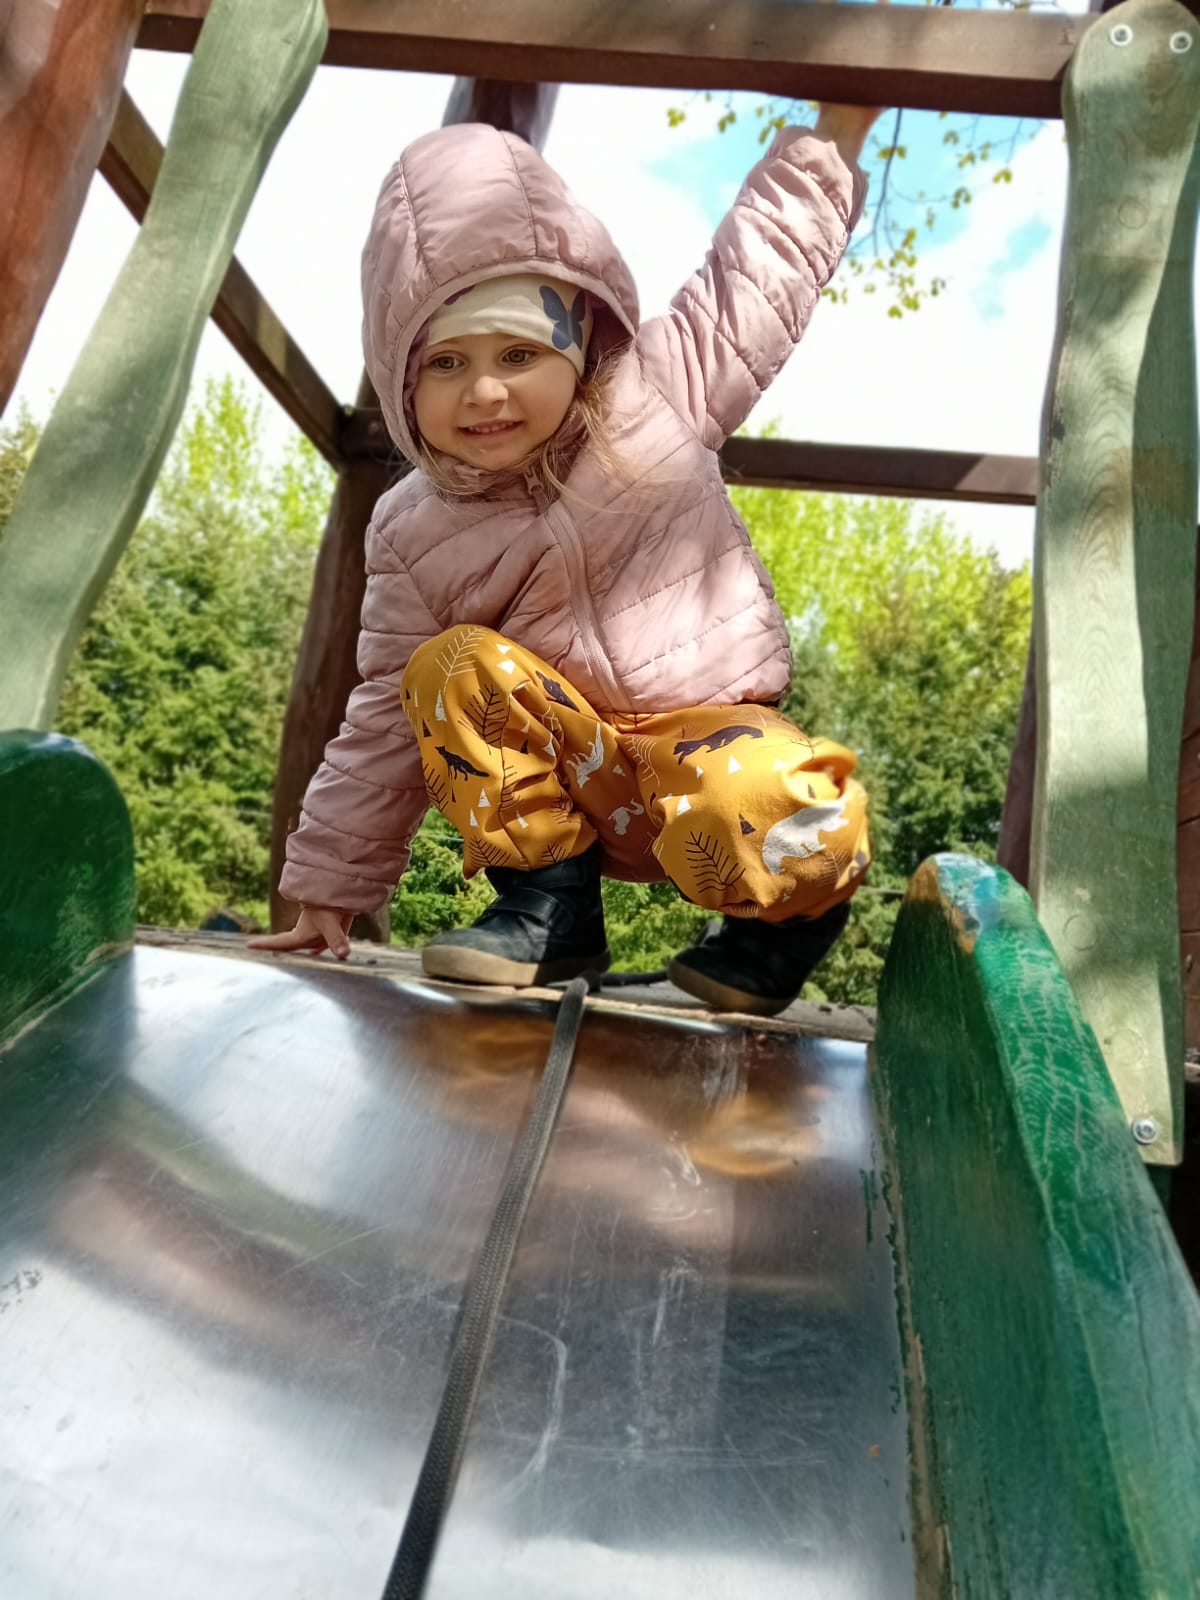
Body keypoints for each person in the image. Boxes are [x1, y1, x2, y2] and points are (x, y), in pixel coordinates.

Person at [250, 95, 882, 1017]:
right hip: (564, 779)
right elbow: (384, 719)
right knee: (442, 671)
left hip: (705, 752)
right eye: (446, 364)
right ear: (400, 380)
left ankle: (784, 925)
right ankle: (549, 912)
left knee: (787, 798)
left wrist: (838, 138)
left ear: (580, 346)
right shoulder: (411, 528)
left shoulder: (662, 394)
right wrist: (329, 888)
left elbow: (756, 275)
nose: (485, 392)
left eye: (518, 354)